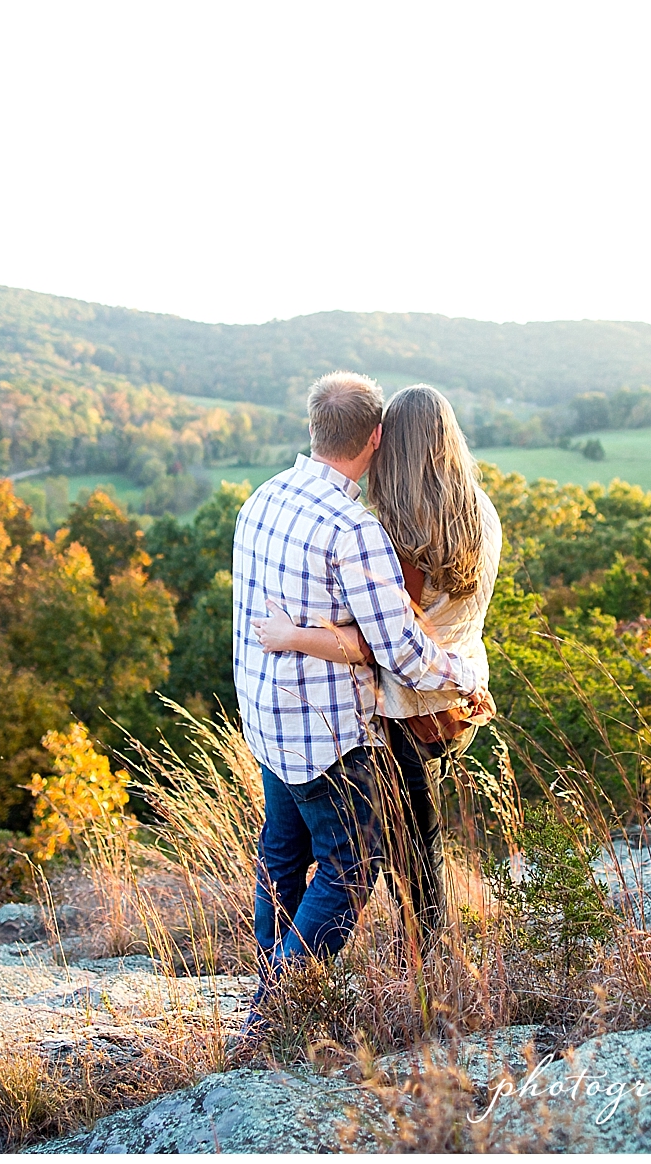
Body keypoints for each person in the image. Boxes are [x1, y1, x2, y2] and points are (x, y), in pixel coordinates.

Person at [230, 371, 487, 1025]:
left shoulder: (262, 497)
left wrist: (292, 634)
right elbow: (395, 649)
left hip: (266, 715)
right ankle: (277, 1001)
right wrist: (465, 671)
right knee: (349, 867)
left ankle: (272, 970)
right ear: (375, 436)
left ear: (315, 424)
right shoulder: (358, 529)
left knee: (283, 851)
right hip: (326, 731)